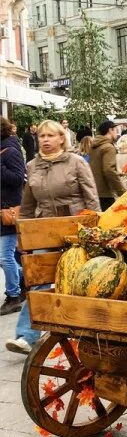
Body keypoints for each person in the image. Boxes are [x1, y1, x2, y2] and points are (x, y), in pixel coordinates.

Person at [6, 120, 100, 354]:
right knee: (37, 281)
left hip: (76, 230)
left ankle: (85, 331)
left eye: (50, 135)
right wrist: (23, 235)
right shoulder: (32, 166)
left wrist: (96, 230)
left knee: (81, 281)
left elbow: (92, 199)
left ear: (61, 138)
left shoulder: (76, 162)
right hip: (44, 230)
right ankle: (27, 336)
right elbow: (27, 205)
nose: (45, 140)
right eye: (41, 136)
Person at [0, 117, 25, 317]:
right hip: (2, 209)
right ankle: (25, 279)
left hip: (9, 210)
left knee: (4, 255)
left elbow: (19, 178)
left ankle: (14, 295)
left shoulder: (10, 149)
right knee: (6, 256)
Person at [88, 120, 126, 211]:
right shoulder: (108, 147)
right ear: (110, 130)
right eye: (116, 130)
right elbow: (109, 170)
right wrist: (122, 192)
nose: (117, 133)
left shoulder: (94, 146)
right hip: (106, 193)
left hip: (94, 190)